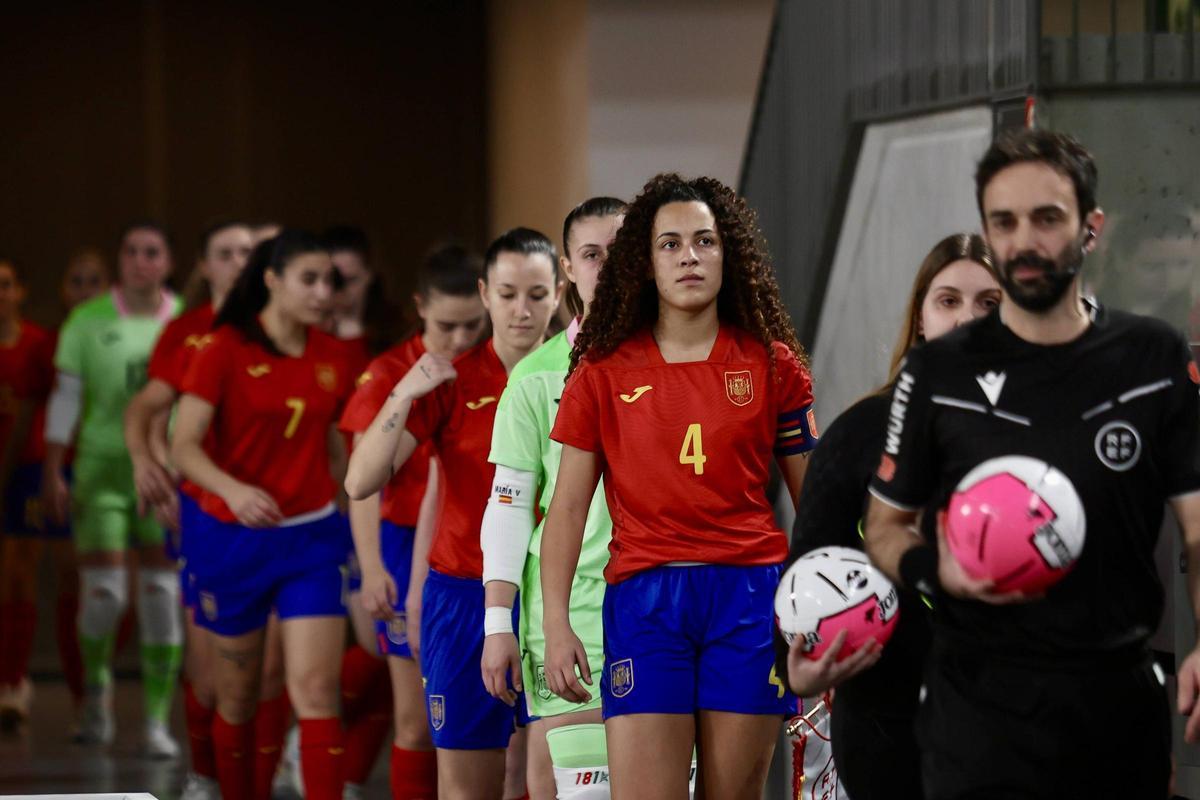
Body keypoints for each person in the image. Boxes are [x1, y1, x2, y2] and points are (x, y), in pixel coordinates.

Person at [864, 128, 1200, 799]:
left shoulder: (1152, 357)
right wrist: (937, 571)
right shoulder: (937, 372)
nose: (1024, 241)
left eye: (1047, 219)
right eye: (1004, 222)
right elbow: (885, 527)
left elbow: (1197, 527)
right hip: (977, 716)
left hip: (1117, 711)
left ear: (1091, 228)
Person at [541, 173, 818, 799]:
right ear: (645, 263)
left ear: (728, 255)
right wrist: (556, 623)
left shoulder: (772, 364)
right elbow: (566, 510)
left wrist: (822, 606)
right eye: (670, 243)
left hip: (749, 599)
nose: (689, 255)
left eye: (704, 241)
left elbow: (818, 502)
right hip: (645, 603)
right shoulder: (601, 373)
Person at [345, 227, 564, 800]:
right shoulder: (453, 380)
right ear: (485, 293)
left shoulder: (582, 375)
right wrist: (402, 394)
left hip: (555, 596)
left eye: (537, 295)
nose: (522, 310)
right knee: (467, 786)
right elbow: (360, 481)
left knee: (540, 778)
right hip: (464, 595)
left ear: (560, 293)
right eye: (508, 293)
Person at [780, 233, 1001, 798]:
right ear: (921, 318)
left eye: (989, 303)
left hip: (1013, 721)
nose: (967, 319)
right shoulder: (861, 432)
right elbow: (806, 569)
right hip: (887, 727)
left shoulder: (1044, 439)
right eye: (948, 301)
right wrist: (797, 665)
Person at [170, 230, 353, 800]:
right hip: (235, 540)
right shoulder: (223, 348)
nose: (322, 292)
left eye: (329, 281)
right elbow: (183, 444)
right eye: (308, 280)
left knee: (317, 691)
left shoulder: (333, 355)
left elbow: (336, 448)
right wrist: (233, 491)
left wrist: (349, 507)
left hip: (312, 539)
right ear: (272, 280)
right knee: (239, 697)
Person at [479, 197, 625, 799]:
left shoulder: (681, 360)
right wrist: (498, 623)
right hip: (575, 605)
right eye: (592, 255)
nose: (608, 268)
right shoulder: (537, 377)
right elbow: (509, 507)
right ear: (568, 268)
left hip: (669, 600)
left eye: (622, 251)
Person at [341, 243, 487, 798]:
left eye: (472, 324)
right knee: (418, 718)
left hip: (475, 545)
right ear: (420, 306)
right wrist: (373, 567)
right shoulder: (388, 373)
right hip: (402, 545)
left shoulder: (491, 365)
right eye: (446, 326)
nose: (459, 339)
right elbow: (361, 484)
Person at [123, 220, 255, 800]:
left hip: (276, 515)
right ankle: (205, 770)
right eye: (225, 253)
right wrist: (150, 467)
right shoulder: (188, 330)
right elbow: (147, 411)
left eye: (248, 252)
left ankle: (264, 769)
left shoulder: (282, 327)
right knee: (208, 667)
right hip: (204, 511)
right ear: (203, 265)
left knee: (274, 667)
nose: (239, 262)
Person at [43, 221, 183, 755]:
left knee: (161, 597)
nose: (140, 261)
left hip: (166, 475)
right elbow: (64, 400)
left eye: (152, 252)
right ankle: (96, 695)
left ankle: (155, 722)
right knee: (105, 596)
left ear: (168, 262)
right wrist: (53, 468)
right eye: (130, 251)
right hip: (102, 472)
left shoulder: (185, 321)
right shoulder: (87, 320)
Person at [0, 258, 58, 728]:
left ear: (20, 291)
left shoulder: (39, 344)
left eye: (4, 285)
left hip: (25, 470)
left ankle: (13, 681)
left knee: (19, 574)